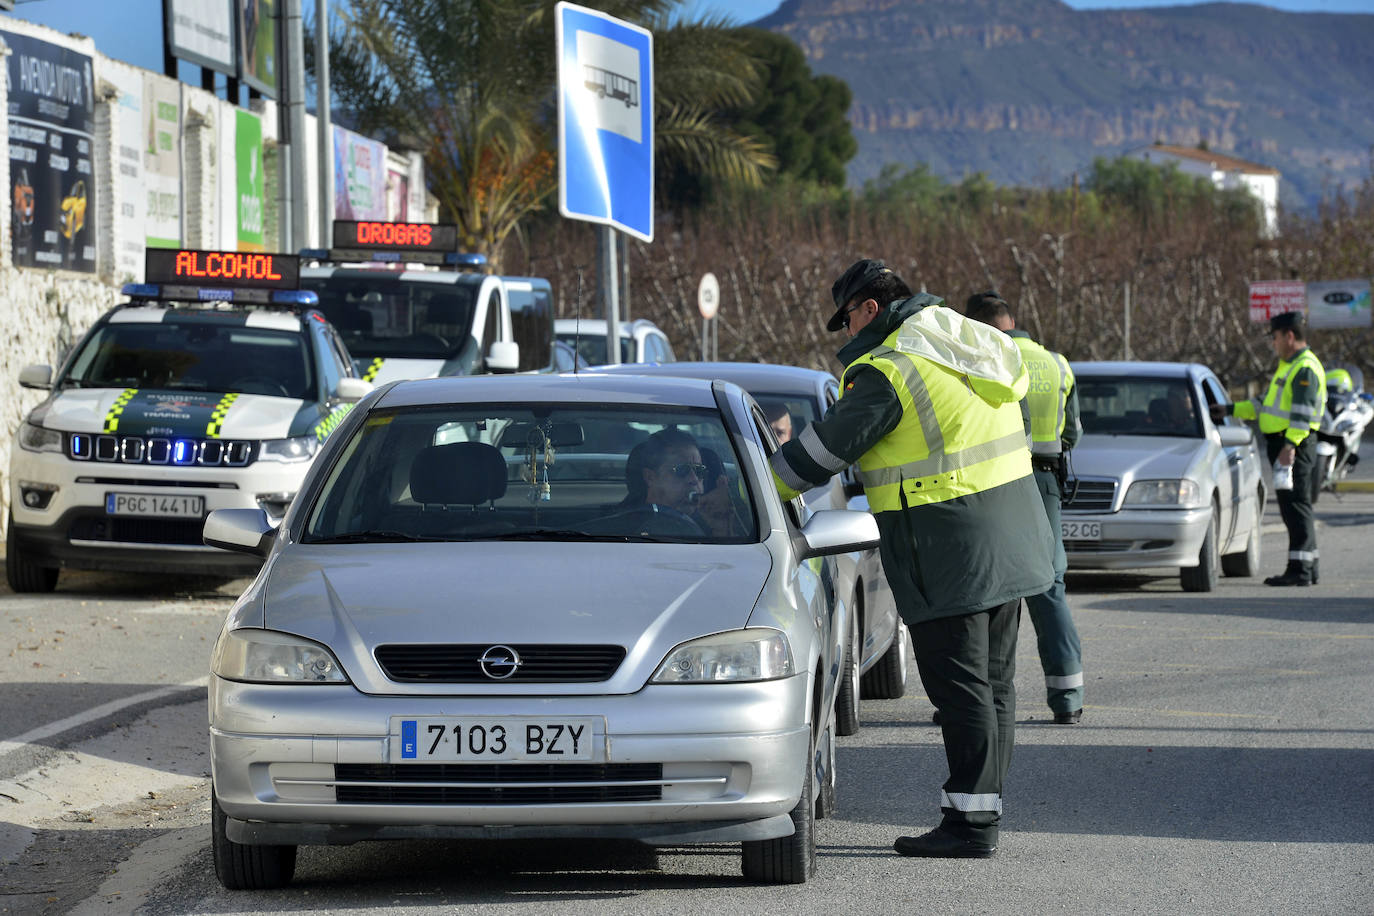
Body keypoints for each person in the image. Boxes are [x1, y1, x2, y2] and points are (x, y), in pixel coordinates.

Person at [769, 259, 1054, 859]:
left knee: (960, 689)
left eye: (846, 320)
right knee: (994, 685)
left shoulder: (889, 370)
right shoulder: (964, 339)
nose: (846, 334)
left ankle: (971, 825)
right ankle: (982, 811)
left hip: (949, 548)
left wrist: (749, 488)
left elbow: (814, 458)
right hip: (1014, 539)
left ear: (870, 308)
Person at [964, 291, 1085, 724]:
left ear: (980, 326)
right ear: (1012, 320)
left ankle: (974, 701)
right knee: (1049, 586)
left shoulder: (979, 362)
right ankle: (1067, 697)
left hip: (994, 483)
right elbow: (1072, 433)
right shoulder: (1057, 363)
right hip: (1045, 480)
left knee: (986, 589)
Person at [1210, 311, 1325, 586]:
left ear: (1289, 336)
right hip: (1287, 444)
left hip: (1293, 445)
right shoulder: (1289, 365)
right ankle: (1308, 566)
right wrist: (1229, 409)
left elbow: (1301, 414)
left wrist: (1290, 445)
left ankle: (1300, 571)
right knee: (1294, 507)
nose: (1273, 343)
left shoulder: (1304, 367)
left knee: (1296, 506)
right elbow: (1263, 403)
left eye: (1274, 337)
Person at [618, 427, 706, 517]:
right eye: (682, 470)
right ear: (650, 477)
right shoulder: (624, 527)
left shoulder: (712, 524)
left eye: (699, 470)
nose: (694, 479)